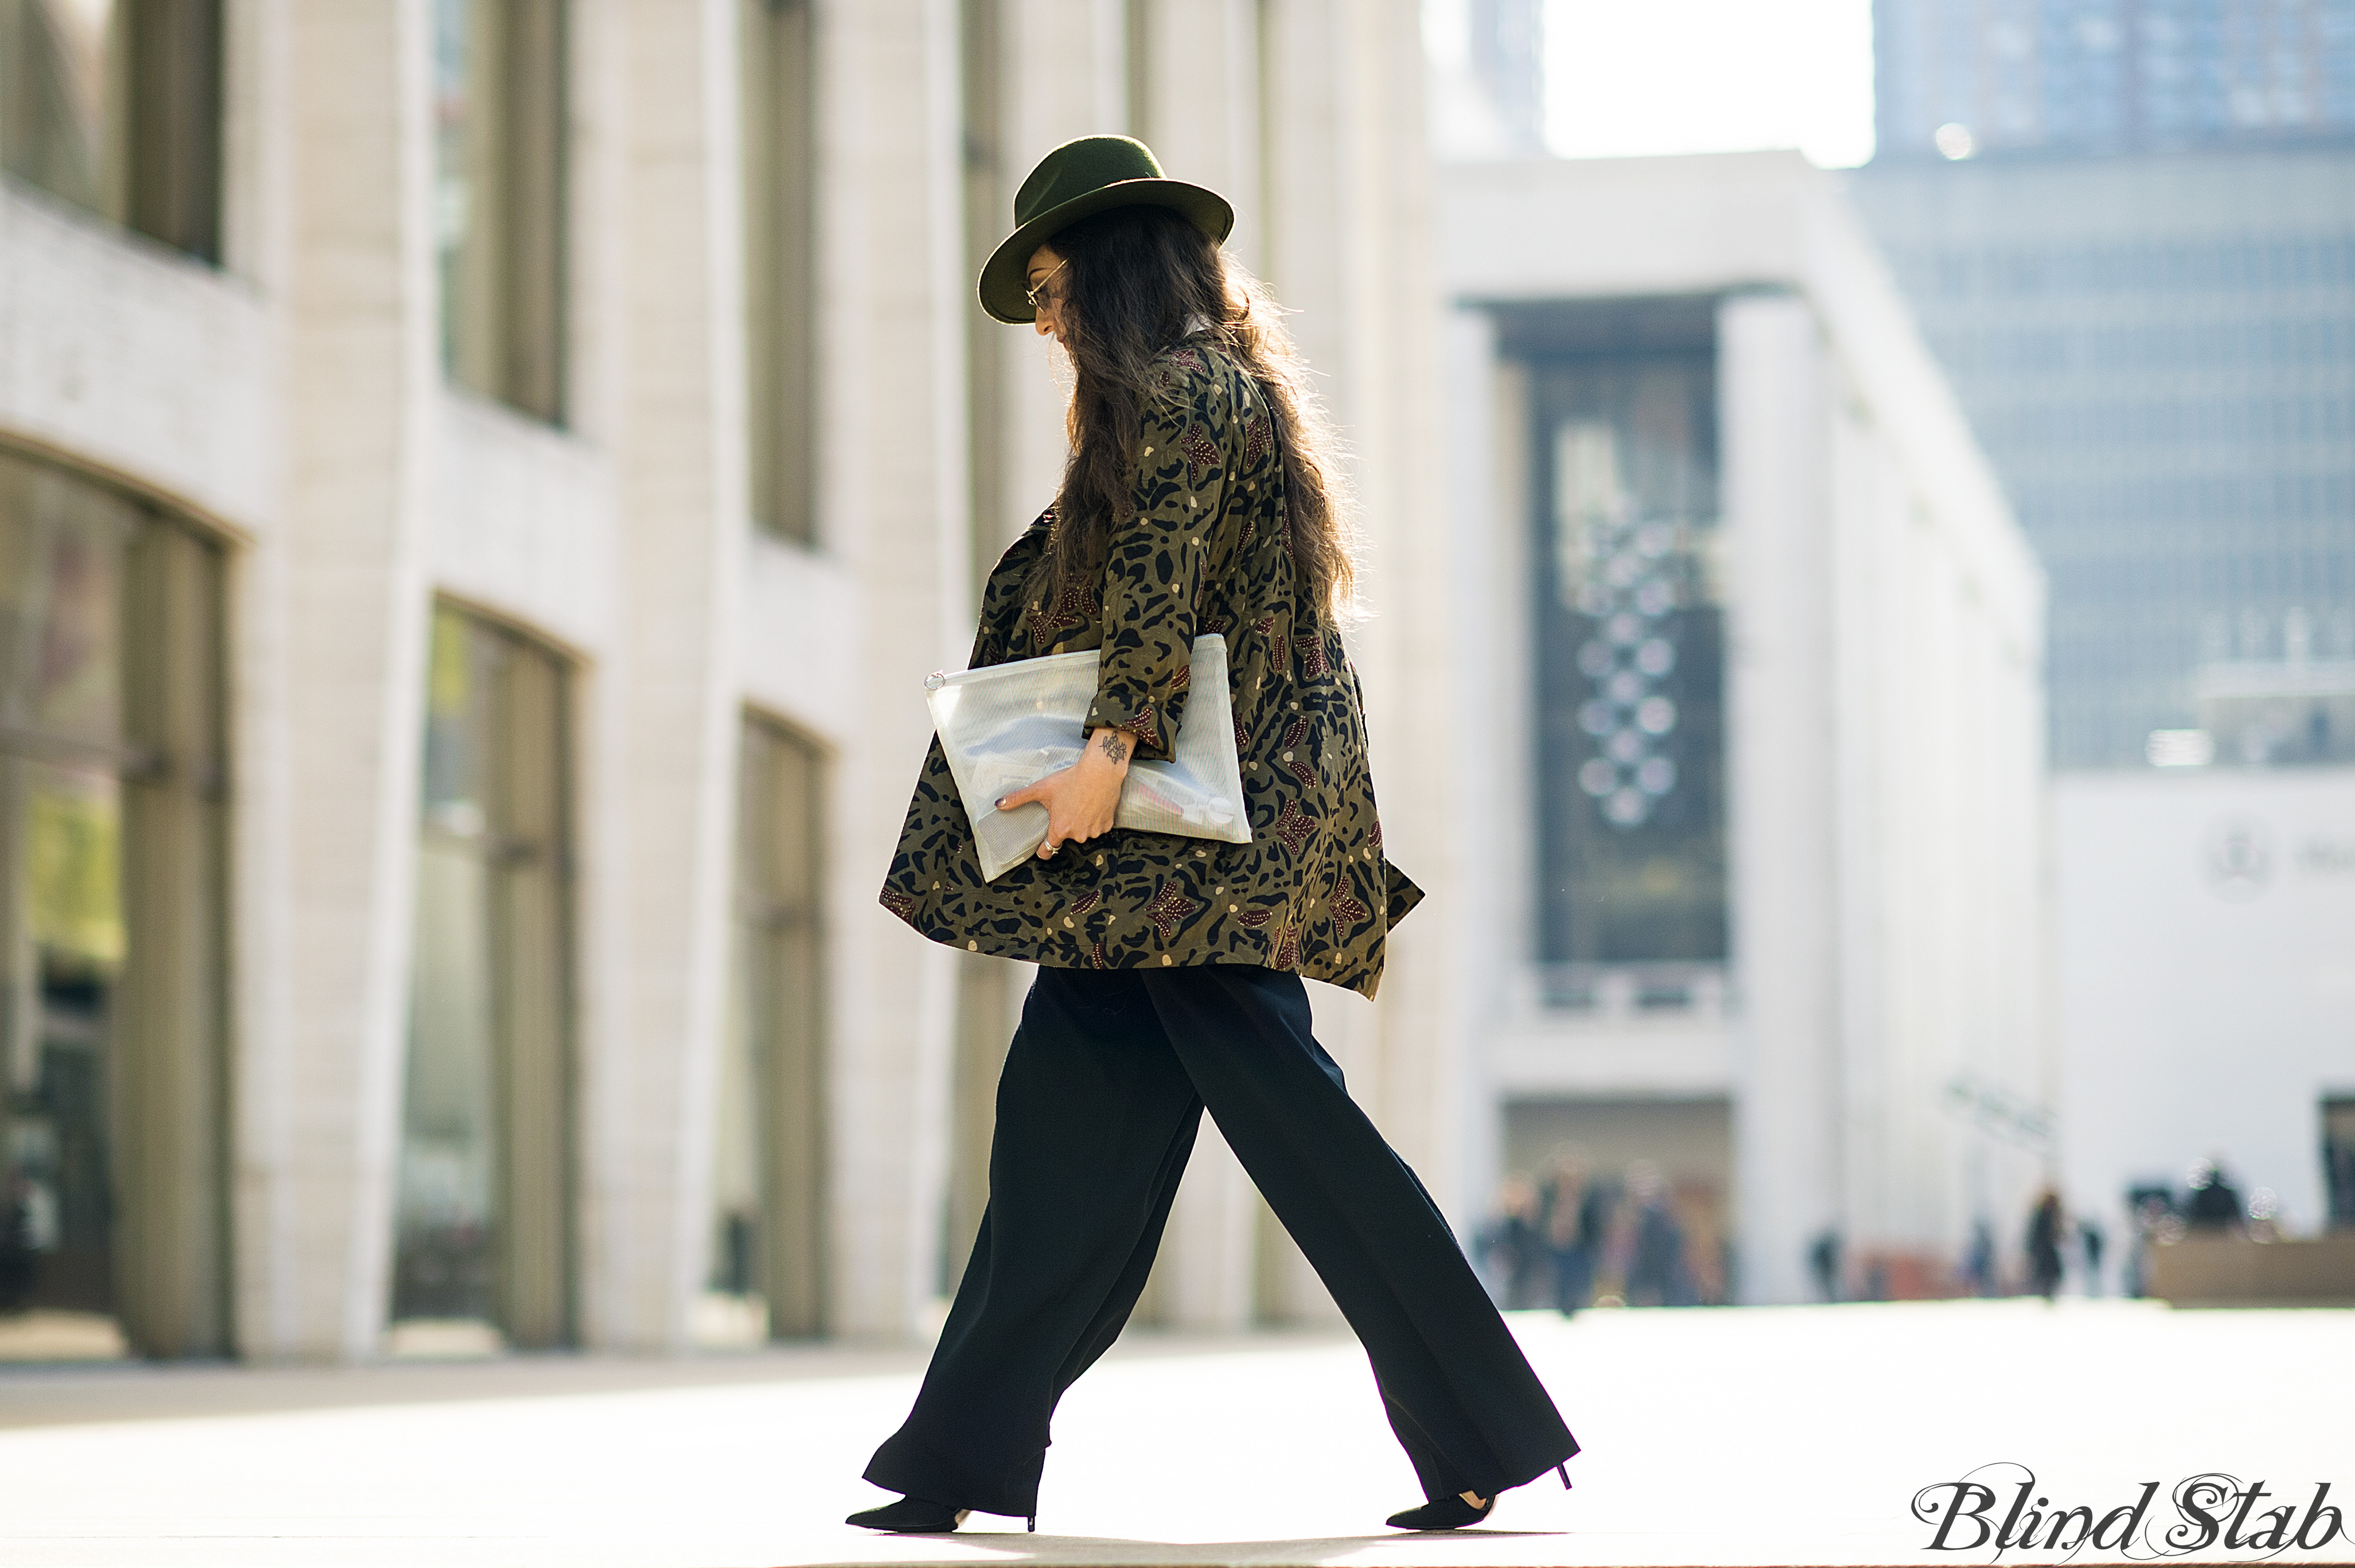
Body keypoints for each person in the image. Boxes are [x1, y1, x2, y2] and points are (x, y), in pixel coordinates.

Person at [852, 136, 1577, 1537]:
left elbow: (1156, 588)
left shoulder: (1181, 391)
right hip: (1173, 855)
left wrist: (1099, 765)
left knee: (1302, 1138)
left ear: (1111, 270)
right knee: (1058, 1143)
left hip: (1187, 844)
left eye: (1053, 285)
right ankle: (955, 1457)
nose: (1046, 319)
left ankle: (1480, 1426)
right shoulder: (1201, 387)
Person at [2026, 1189, 2065, 1301]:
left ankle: (2049, 1298)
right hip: (2044, 1253)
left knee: (2051, 1279)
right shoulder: (2041, 1215)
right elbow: (2035, 1235)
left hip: (2048, 1252)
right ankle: (2046, 1298)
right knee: (2046, 1279)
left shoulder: (2053, 1215)